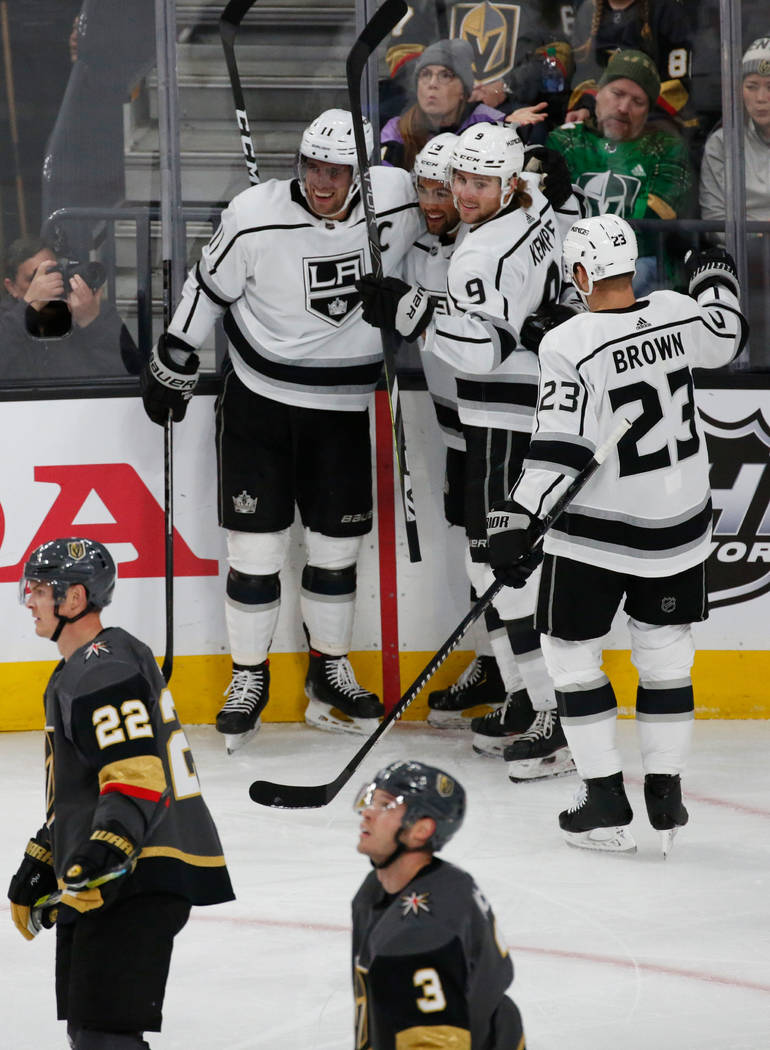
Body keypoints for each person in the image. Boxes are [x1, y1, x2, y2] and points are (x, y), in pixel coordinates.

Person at [139, 109, 422, 751]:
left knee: (335, 553)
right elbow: (206, 287)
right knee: (257, 554)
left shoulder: (395, 203)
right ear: (298, 163)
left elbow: (449, 199)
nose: (323, 182)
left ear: (361, 172)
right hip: (260, 405)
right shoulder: (252, 214)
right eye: (313, 167)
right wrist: (177, 352)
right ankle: (248, 677)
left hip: (344, 409)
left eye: (338, 171)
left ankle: (330, 670)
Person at [486, 215, 748, 854]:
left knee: (571, 656)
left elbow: (559, 446)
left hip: (598, 535)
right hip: (681, 524)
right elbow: (727, 335)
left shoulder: (568, 343)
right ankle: (667, 792)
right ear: (632, 267)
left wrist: (520, 519)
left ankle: (604, 797)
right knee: (664, 655)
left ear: (578, 275)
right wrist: (715, 280)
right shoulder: (679, 311)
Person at [357, 123, 579, 777]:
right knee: (490, 565)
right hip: (517, 413)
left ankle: (555, 715)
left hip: (508, 416)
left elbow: (483, 348)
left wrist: (409, 311)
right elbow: (559, 206)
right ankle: (522, 695)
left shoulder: (477, 256)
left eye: (481, 184)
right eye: (462, 181)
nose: (468, 194)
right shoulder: (535, 200)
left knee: (504, 568)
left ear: (506, 184)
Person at [7, 537, 234, 1048]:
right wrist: (52, 847)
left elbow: (135, 773)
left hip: (136, 873)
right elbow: (95, 776)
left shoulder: (101, 666)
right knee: (92, 1032)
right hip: (126, 867)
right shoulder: (94, 662)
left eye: (41, 590)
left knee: (104, 1037)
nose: (30, 601)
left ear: (75, 599)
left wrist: (107, 847)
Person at [352, 760, 526, 1049]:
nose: (367, 812)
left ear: (420, 830)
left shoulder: (420, 933)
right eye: (371, 800)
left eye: (385, 805)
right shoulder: (445, 883)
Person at [547, 48, 693, 293]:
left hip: (636, 266)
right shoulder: (565, 140)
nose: (624, 107)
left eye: (638, 101)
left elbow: (652, 224)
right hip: (571, 264)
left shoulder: (666, 147)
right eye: (617, 94)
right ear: (598, 95)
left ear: (647, 112)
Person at [381, 0, 574, 128]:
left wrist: (507, 85)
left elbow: (560, 54)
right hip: (439, 116)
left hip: (515, 111)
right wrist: (446, 85)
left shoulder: (544, 5)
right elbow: (402, 52)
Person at [1, 236, 144, 379]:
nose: (47, 284)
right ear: (11, 286)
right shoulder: (6, 321)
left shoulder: (90, 308)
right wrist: (28, 310)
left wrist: (93, 322)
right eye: (34, 280)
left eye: (52, 274)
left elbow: (131, 372)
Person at [566, 0, 697, 137]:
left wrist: (639, 113)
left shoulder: (666, 10)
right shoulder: (587, 9)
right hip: (601, 116)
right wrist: (587, 108)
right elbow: (585, 73)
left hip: (654, 120)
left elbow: (677, 83)